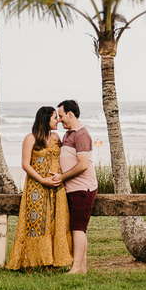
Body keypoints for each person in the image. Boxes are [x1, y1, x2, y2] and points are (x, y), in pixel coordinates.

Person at [7, 106, 73, 270]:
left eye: (58, 117)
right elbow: (25, 164)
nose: (57, 120)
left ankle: (51, 262)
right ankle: (31, 262)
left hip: (57, 188)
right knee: (35, 224)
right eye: (54, 117)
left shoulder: (57, 137)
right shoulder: (30, 138)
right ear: (45, 120)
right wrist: (43, 180)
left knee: (54, 223)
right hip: (36, 188)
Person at [55, 99, 97, 275]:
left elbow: (82, 165)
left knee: (78, 228)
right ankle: (82, 269)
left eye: (61, 116)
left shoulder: (81, 135)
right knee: (78, 228)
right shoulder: (68, 135)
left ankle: (76, 268)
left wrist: (61, 177)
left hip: (83, 189)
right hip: (73, 189)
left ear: (70, 114)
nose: (59, 120)